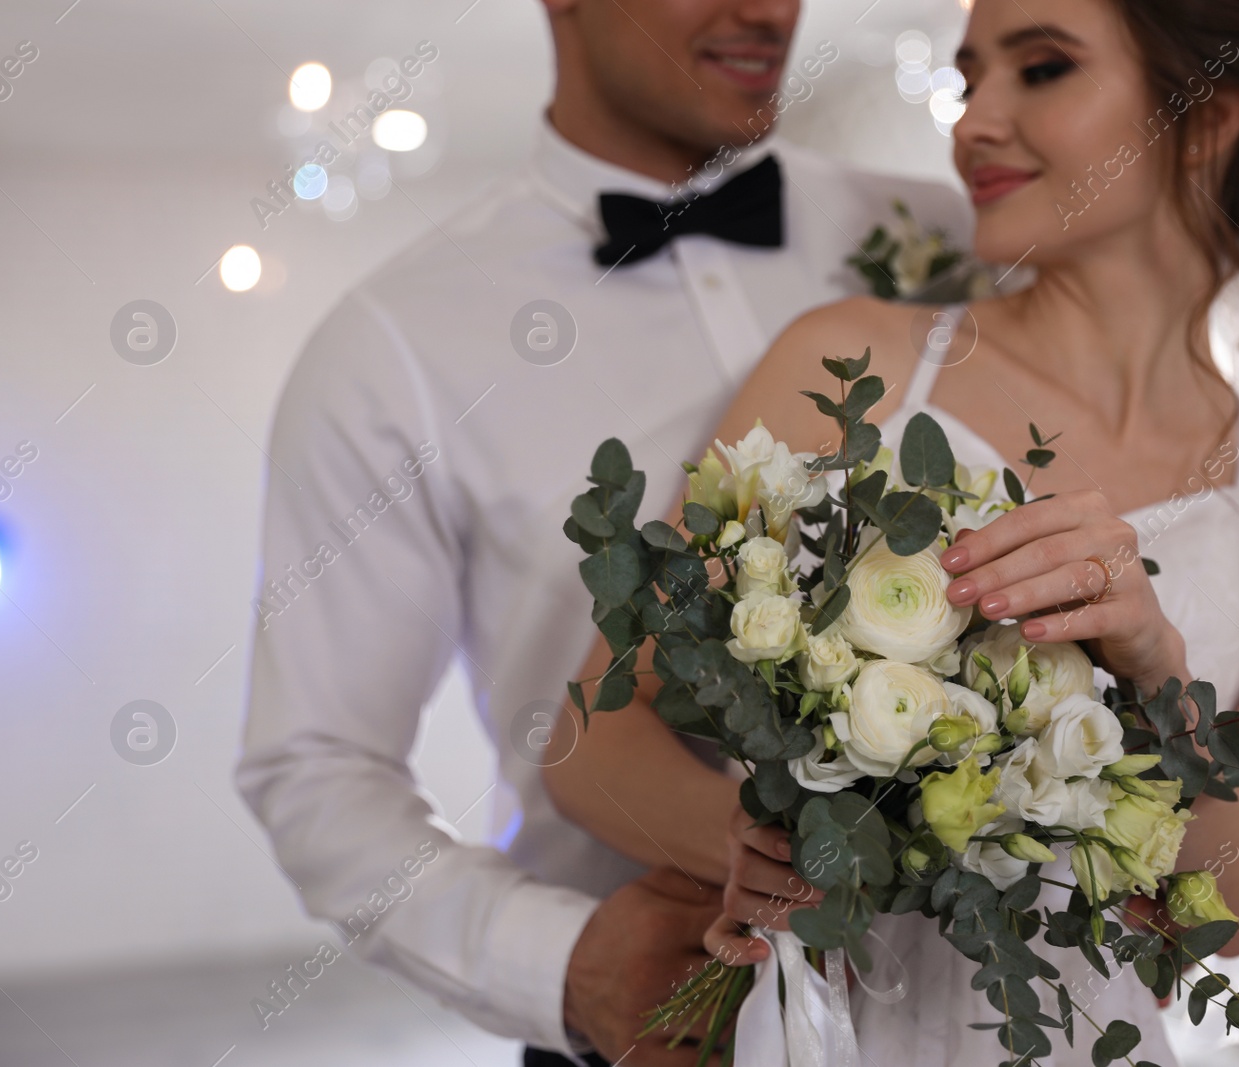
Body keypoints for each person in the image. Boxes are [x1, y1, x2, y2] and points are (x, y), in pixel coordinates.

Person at [545, 0, 1239, 1063]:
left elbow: (1229, 912)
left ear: (1207, 117)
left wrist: (1157, 669)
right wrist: (758, 843)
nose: (973, 122)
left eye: (1043, 68)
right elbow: (585, 736)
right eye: (971, 78)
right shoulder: (846, 365)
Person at [234, 1, 970, 1066]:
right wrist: (562, 961)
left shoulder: (943, 237)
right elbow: (317, 763)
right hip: (658, 1024)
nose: (767, 9)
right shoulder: (394, 344)